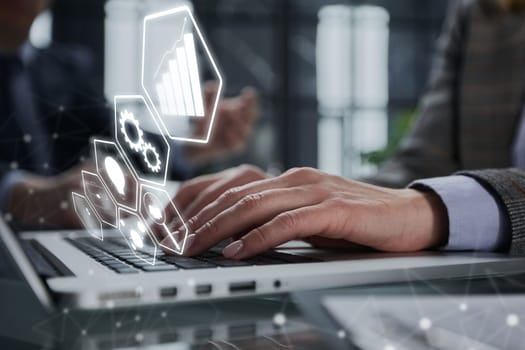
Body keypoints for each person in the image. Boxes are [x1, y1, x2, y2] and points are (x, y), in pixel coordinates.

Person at [163, 0, 525, 259]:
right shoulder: (484, 11)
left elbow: (424, 201)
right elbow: (422, 167)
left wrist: (436, 210)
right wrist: (303, 200)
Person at [0, 0, 258, 228]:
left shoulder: (64, 67)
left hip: (66, 243)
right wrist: (16, 194)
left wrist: (193, 145)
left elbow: (115, 133)